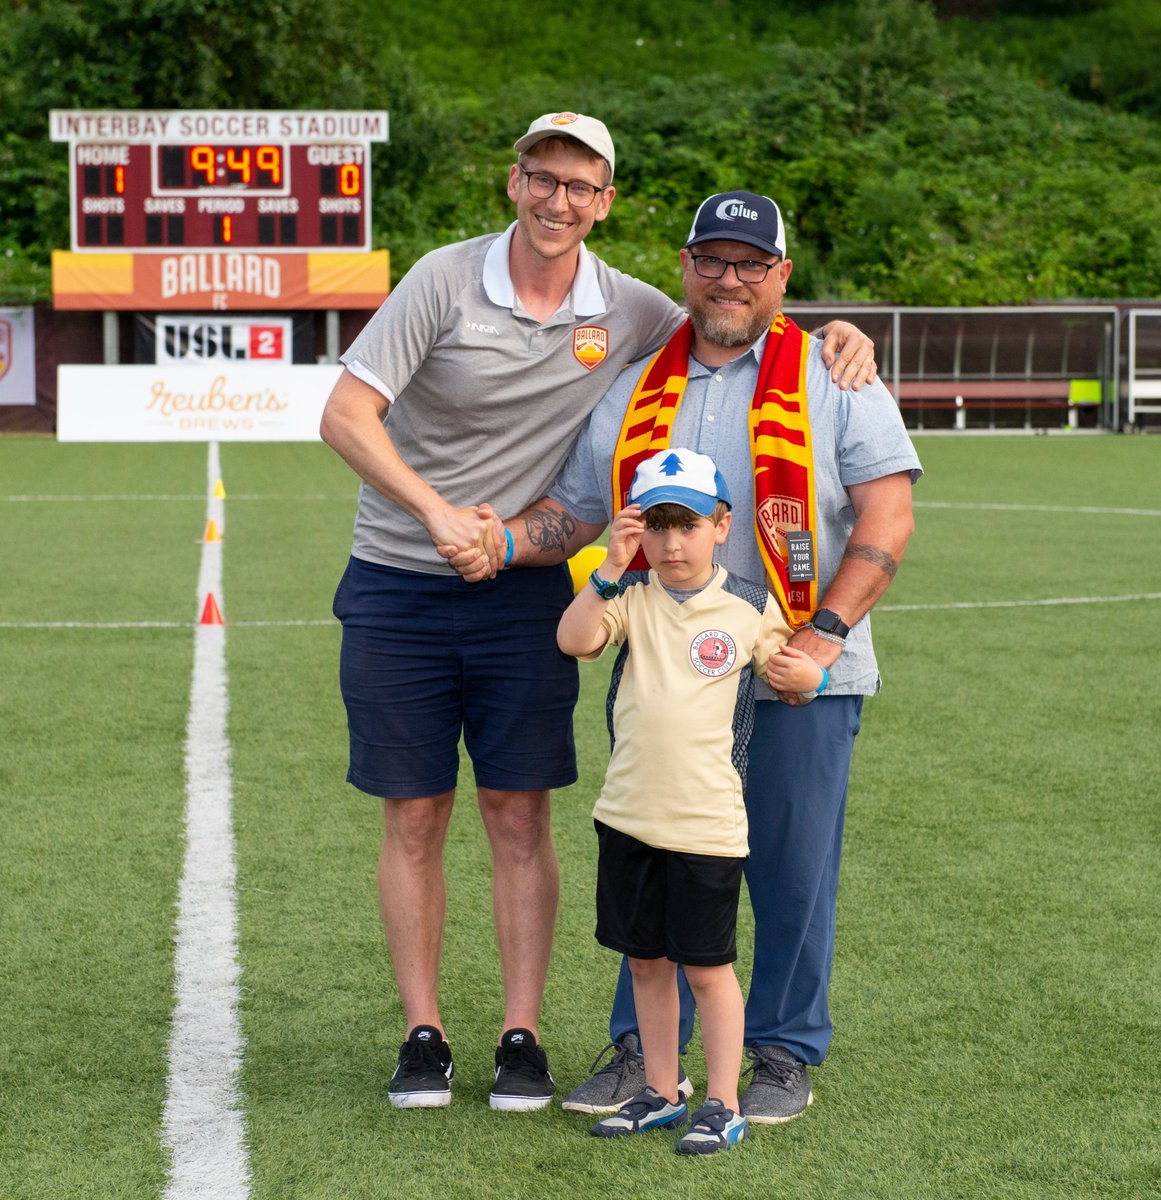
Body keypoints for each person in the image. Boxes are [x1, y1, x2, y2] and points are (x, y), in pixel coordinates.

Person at [320, 106, 878, 1113]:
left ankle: (733, 1050)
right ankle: (549, 1045)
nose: (729, 279)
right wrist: (473, 530)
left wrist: (845, 334)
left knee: (761, 863)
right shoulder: (518, 308)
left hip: (762, 644)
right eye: (544, 177)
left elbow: (872, 491)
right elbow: (563, 504)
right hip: (536, 617)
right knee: (604, 836)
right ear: (516, 180)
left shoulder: (737, 342)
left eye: (581, 185)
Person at [452, 189, 921, 1123]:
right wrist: (500, 542)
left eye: (751, 263)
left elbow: (888, 516)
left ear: (782, 274)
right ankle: (644, 1055)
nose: (730, 279)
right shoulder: (636, 385)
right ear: (686, 267)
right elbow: (578, 513)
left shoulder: (836, 374)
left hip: (796, 671)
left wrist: (823, 636)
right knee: (657, 855)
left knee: (791, 873)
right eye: (713, 259)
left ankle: (782, 1051)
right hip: (668, 675)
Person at [557, 446, 824, 1155]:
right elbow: (574, 639)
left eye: (688, 525)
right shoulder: (628, 597)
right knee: (646, 962)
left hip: (706, 823)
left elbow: (792, 679)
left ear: (721, 525)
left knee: (707, 969)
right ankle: (660, 1092)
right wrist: (610, 567)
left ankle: (723, 1103)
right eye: (657, 526)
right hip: (627, 816)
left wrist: (811, 677)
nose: (672, 543)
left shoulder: (749, 605)